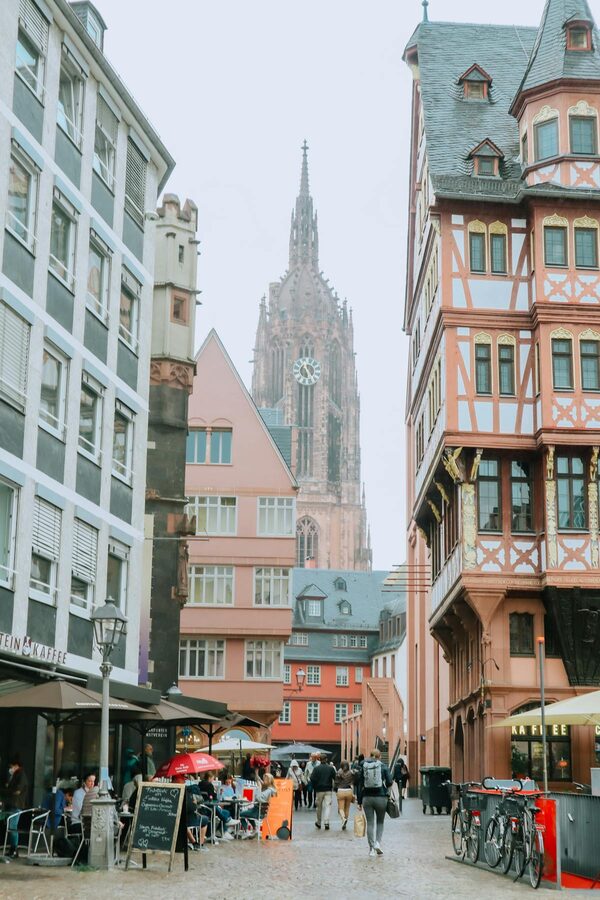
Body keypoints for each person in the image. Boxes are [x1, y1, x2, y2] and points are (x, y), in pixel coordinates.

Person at [356, 748, 393, 858]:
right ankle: (377, 843)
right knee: (380, 822)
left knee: (370, 823)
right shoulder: (383, 766)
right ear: (379, 756)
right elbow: (389, 782)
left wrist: (359, 801)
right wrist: (388, 794)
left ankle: (371, 849)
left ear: (370, 755)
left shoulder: (363, 765)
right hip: (381, 797)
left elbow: (360, 784)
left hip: (367, 798)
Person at [2, 755, 28, 857]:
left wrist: (6, 790)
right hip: (12, 804)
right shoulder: (15, 775)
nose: (10, 768)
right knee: (11, 827)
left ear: (16, 765)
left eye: (11, 766)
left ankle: (14, 849)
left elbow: (17, 790)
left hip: (16, 804)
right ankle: (12, 849)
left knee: (12, 827)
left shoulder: (21, 775)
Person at [310, 753, 336, 830]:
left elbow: (312, 778)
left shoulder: (316, 769)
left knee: (319, 807)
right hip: (328, 789)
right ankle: (326, 822)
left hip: (319, 790)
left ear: (319, 759)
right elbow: (335, 778)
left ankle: (319, 822)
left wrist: (315, 786)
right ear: (326, 759)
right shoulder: (331, 768)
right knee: (327, 806)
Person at [334, 761, 355, 829]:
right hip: (349, 791)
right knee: (347, 808)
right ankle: (345, 822)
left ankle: (343, 819)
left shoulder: (338, 772)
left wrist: (335, 790)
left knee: (341, 808)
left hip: (341, 791)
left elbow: (336, 783)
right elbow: (354, 781)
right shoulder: (351, 772)